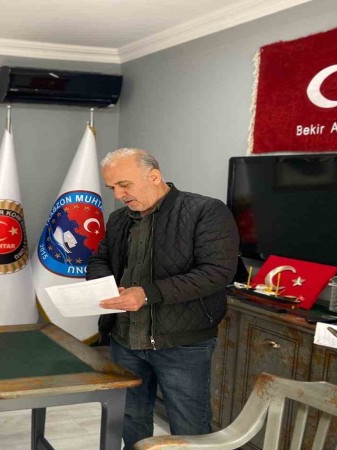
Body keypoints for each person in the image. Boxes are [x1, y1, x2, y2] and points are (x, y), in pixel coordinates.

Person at [85, 148, 239, 449]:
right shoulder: (118, 219)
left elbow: (216, 272)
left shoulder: (205, 211)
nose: (118, 195)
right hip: (125, 339)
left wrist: (146, 294)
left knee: (189, 424)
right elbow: (99, 259)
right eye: (112, 187)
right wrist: (104, 286)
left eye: (124, 185)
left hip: (182, 344)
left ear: (154, 176)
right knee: (130, 417)